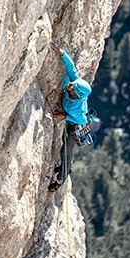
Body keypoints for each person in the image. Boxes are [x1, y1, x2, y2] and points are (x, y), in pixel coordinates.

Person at [48, 41, 91, 192]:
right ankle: (64, 169)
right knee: (64, 150)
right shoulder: (76, 86)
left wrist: (64, 116)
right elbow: (71, 67)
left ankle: (61, 179)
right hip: (73, 121)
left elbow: (82, 121)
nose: (70, 84)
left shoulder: (77, 108)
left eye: (73, 86)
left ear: (77, 94)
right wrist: (61, 53)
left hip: (76, 128)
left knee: (66, 151)